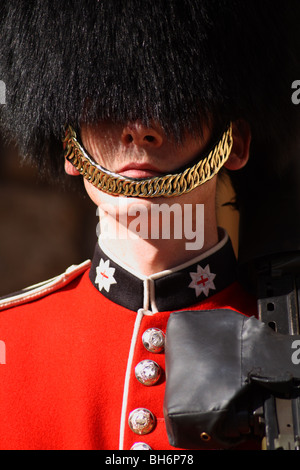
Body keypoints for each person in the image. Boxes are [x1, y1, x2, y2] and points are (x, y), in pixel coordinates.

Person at [0, 0, 298, 451]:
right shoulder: (11, 340)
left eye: (175, 99)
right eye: (107, 101)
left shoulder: (285, 339)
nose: (138, 130)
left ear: (234, 143)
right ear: (69, 149)